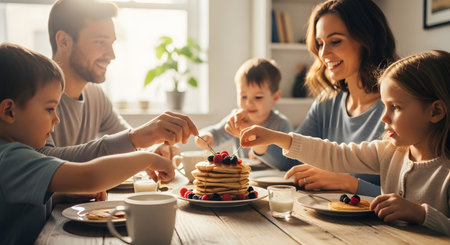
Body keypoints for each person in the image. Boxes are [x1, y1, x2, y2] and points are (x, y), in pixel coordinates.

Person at [240, 50, 450, 236]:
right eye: (384, 106)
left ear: (436, 111)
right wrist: (278, 137)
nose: (384, 117)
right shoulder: (389, 151)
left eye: (395, 107)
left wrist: (422, 214)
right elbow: (336, 154)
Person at [0, 43, 177, 245]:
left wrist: (63, 194)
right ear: (9, 111)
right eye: (50, 109)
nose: (56, 119)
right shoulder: (11, 158)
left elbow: (23, 203)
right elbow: (91, 176)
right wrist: (147, 159)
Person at [253, 0, 398, 197]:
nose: (323, 54)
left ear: (368, 40)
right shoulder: (327, 101)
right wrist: (260, 141)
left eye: (335, 41)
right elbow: (291, 161)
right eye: (320, 44)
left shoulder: (397, 107)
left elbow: (409, 198)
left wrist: (349, 183)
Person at [38, 0, 197, 173]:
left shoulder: (95, 95)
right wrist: (136, 138)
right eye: (100, 42)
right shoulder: (34, 95)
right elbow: (41, 160)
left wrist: (152, 151)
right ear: (64, 41)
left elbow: (127, 141)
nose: (111, 55)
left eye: (112, 43)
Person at [195, 58, 292, 159]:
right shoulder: (238, 121)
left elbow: (283, 162)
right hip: (244, 174)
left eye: (258, 97)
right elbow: (214, 133)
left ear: (275, 97)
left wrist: (254, 141)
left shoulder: (281, 124)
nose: (248, 103)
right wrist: (206, 136)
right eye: (243, 96)